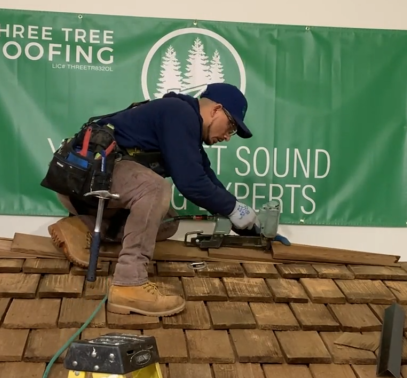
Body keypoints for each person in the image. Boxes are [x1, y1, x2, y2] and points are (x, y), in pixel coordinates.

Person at [54, 82, 257, 317]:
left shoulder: (182, 120)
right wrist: (234, 209)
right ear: (216, 110)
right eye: (231, 127)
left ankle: (81, 227)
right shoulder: (179, 113)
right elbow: (192, 183)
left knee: (168, 222)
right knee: (155, 188)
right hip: (81, 179)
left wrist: (244, 222)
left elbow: (206, 178)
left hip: (91, 187)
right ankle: (129, 283)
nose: (227, 137)